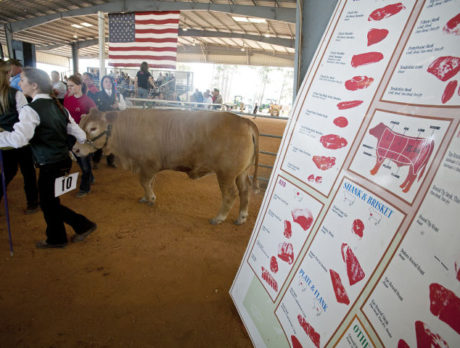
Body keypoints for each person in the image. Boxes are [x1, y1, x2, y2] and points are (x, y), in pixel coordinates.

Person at [0, 67, 96, 249]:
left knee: (48, 202)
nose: (19, 83)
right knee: (50, 201)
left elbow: (19, 139)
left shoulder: (31, 110)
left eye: (22, 80)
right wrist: (85, 142)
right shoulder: (59, 106)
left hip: (49, 163)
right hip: (63, 161)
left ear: (34, 85)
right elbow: (78, 133)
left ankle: (81, 225)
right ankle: (58, 235)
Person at [0, 60, 39, 214]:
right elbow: (25, 117)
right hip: (20, 140)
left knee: (8, 172)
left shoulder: (12, 94)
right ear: (8, 74)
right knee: (27, 172)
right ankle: (32, 202)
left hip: (4, 142)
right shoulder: (16, 94)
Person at [63, 75, 96, 197]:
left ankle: (85, 188)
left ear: (79, 86)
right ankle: (90, 177)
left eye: (71, 86)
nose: (69, 88)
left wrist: (87, 117)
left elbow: (96, 116)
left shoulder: (88, 100)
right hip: (69, 134)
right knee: (77, 160)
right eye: (68, 86)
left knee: (84, 163)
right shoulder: (67, 98)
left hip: (82, 136)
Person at [92, 75, 126, 168]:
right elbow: (95, 108)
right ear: (102, 84)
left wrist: (118, 105)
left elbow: (124, 106)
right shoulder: (98, 95)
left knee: (112, 142)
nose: (108, 83)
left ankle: (110, 161)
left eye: (110, 82)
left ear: (112, 83)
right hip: (102, 122)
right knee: (100, 141)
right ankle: (96, 161)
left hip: (114, 122)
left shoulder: (118, 95)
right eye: (106, 82)